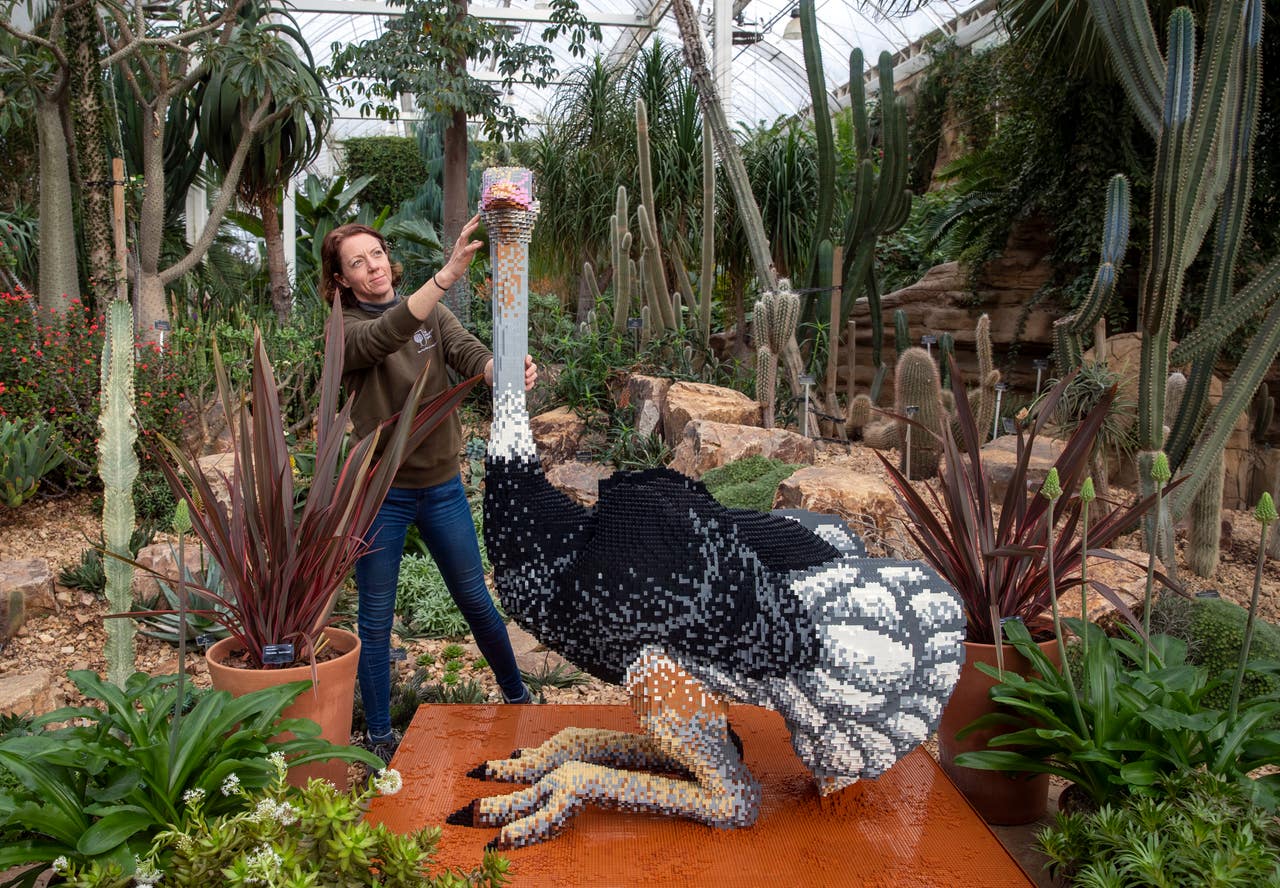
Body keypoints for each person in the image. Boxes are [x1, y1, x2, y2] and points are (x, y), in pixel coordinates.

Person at [321, 216, 537, 765]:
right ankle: (380, 737)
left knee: (475, 600)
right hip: (381, 495)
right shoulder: (343, 331)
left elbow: (468, 354)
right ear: (342, 279)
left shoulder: (433, 315)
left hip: (441, 487)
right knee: (376, 619)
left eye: (376, 254)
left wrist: (502, 370)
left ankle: (518, 698)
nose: (373, 267)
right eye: (357, 263)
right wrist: (446, 275)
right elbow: (386, 334)